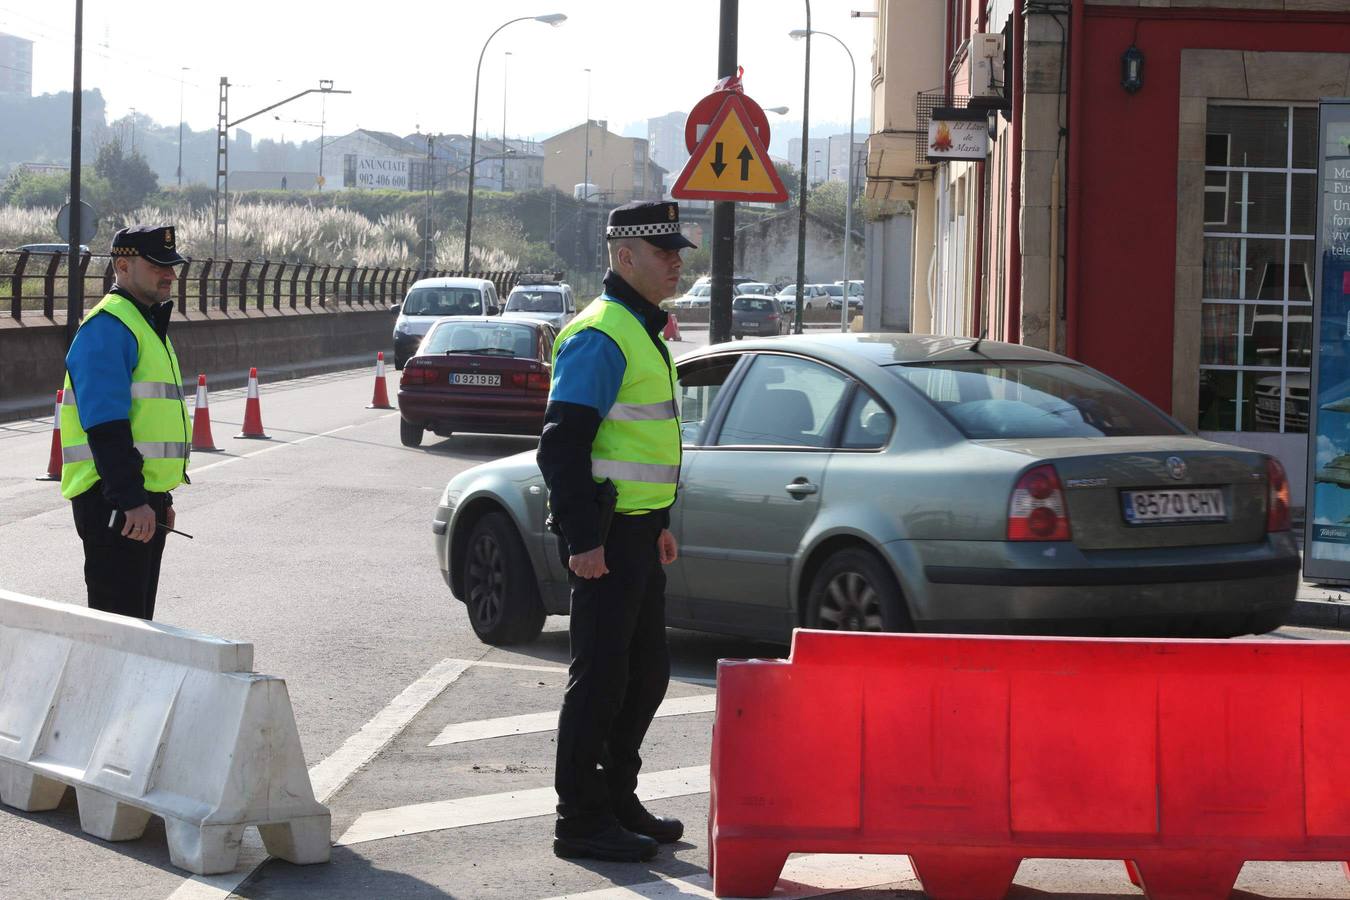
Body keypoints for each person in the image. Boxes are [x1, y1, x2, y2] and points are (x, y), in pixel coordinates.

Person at [540, 200, 695, 863]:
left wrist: (657, 521)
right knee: (600, 679)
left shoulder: (641, 328)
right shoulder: (603, 333)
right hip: (603, 537)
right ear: (626, 256)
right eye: (665, 252)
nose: (677, 261)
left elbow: (638, 441)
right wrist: (583, 542)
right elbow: (562, 446)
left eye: (678, 251)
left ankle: (615, 798)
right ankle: (580, 819)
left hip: (636, 534)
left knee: (645, 673)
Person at [61, 225, 190, 620]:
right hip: (113, 502)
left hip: (137, 501)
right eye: (157, 265)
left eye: (172, 266)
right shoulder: (109, 327)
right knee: (119, 633)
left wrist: (159, 498)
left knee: (136, 628)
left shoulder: (144, 323)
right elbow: (106, 427)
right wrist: (133, 499)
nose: (169, 273)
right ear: (122, 265)